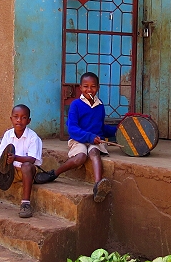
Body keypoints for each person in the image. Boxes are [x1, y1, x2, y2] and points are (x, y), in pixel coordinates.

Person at [35, 72, 116, 202]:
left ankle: (97, 185)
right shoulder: (76, 105)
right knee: (80, 157)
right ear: (80, 87)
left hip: (95, 140)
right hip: (79, 139)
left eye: (93, 86)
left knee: (94, 152)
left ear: (98, 87)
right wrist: (89, 136)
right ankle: (54, 173)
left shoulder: (100, 106)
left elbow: (101, 127)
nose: (89, 90)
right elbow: (72, 128)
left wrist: (116, 132)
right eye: (86, 86)